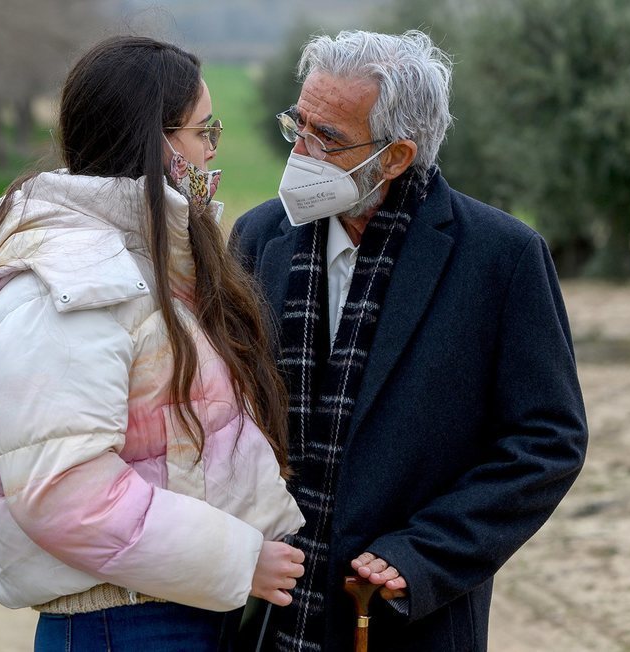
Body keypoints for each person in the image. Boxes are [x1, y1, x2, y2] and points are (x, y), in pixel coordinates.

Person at [0, 36, 306, 651]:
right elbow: (63, 494)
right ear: (157, 142)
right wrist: (237, 559)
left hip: (168, 609)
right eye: (202, 131)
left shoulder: (140, 264)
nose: (211, 149)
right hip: (127, 624)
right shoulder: (73, 287)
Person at [228, 30, 589, 651]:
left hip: (404, 619)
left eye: (329, 138)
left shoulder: (501, 258)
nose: (303, 152)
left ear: (395, 156)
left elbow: (547, 440)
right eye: (299, 126)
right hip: (267, 618)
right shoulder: (260, 237)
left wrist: (427, 553)